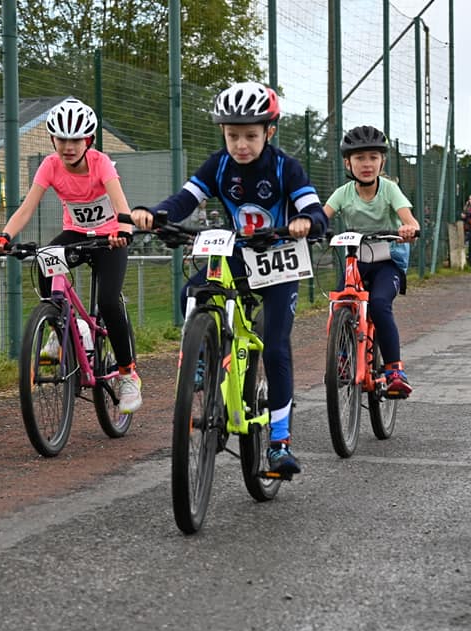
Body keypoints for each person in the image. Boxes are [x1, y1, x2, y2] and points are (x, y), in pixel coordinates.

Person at [130, 81, 328, 475]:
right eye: (233, 135)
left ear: (269, 131)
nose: (241, 145)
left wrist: (307, 221)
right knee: (192, 291)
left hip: (279, 259)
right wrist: (155, 214)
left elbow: (313, 208)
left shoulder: (285, 167)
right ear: (223, 132)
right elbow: (185, 199)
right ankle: (203, 359)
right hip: (238, 253)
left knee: (275, 348)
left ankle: (279, 442)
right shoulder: (218, 165)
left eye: (251, 136)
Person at [0, 97, 143, 413]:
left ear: (89, 141)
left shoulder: (101, 163)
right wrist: (6, 236)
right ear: (52, 140)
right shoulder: (50, 166)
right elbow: (27, 208)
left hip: (109, 239)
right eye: (62, 139)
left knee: (109, 302)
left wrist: (124, 231)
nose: (68, 147)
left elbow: (121, 205)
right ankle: (63, 329)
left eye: (76, 140)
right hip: (76, 235)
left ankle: (128, 374)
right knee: (45, 261)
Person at [322, 125, 420, 400]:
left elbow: (410, 220)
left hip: (388, 262)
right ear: (348, 163)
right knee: (340, 304)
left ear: (382, 161)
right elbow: (321, 216)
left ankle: (394, 371)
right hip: (356, 261)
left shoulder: (389, 190)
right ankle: (342, 357)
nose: (367, 164)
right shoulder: (343, 193)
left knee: (378, 304)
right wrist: (311, 225)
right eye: (360, 158)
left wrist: (408, 228)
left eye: (373, 157)